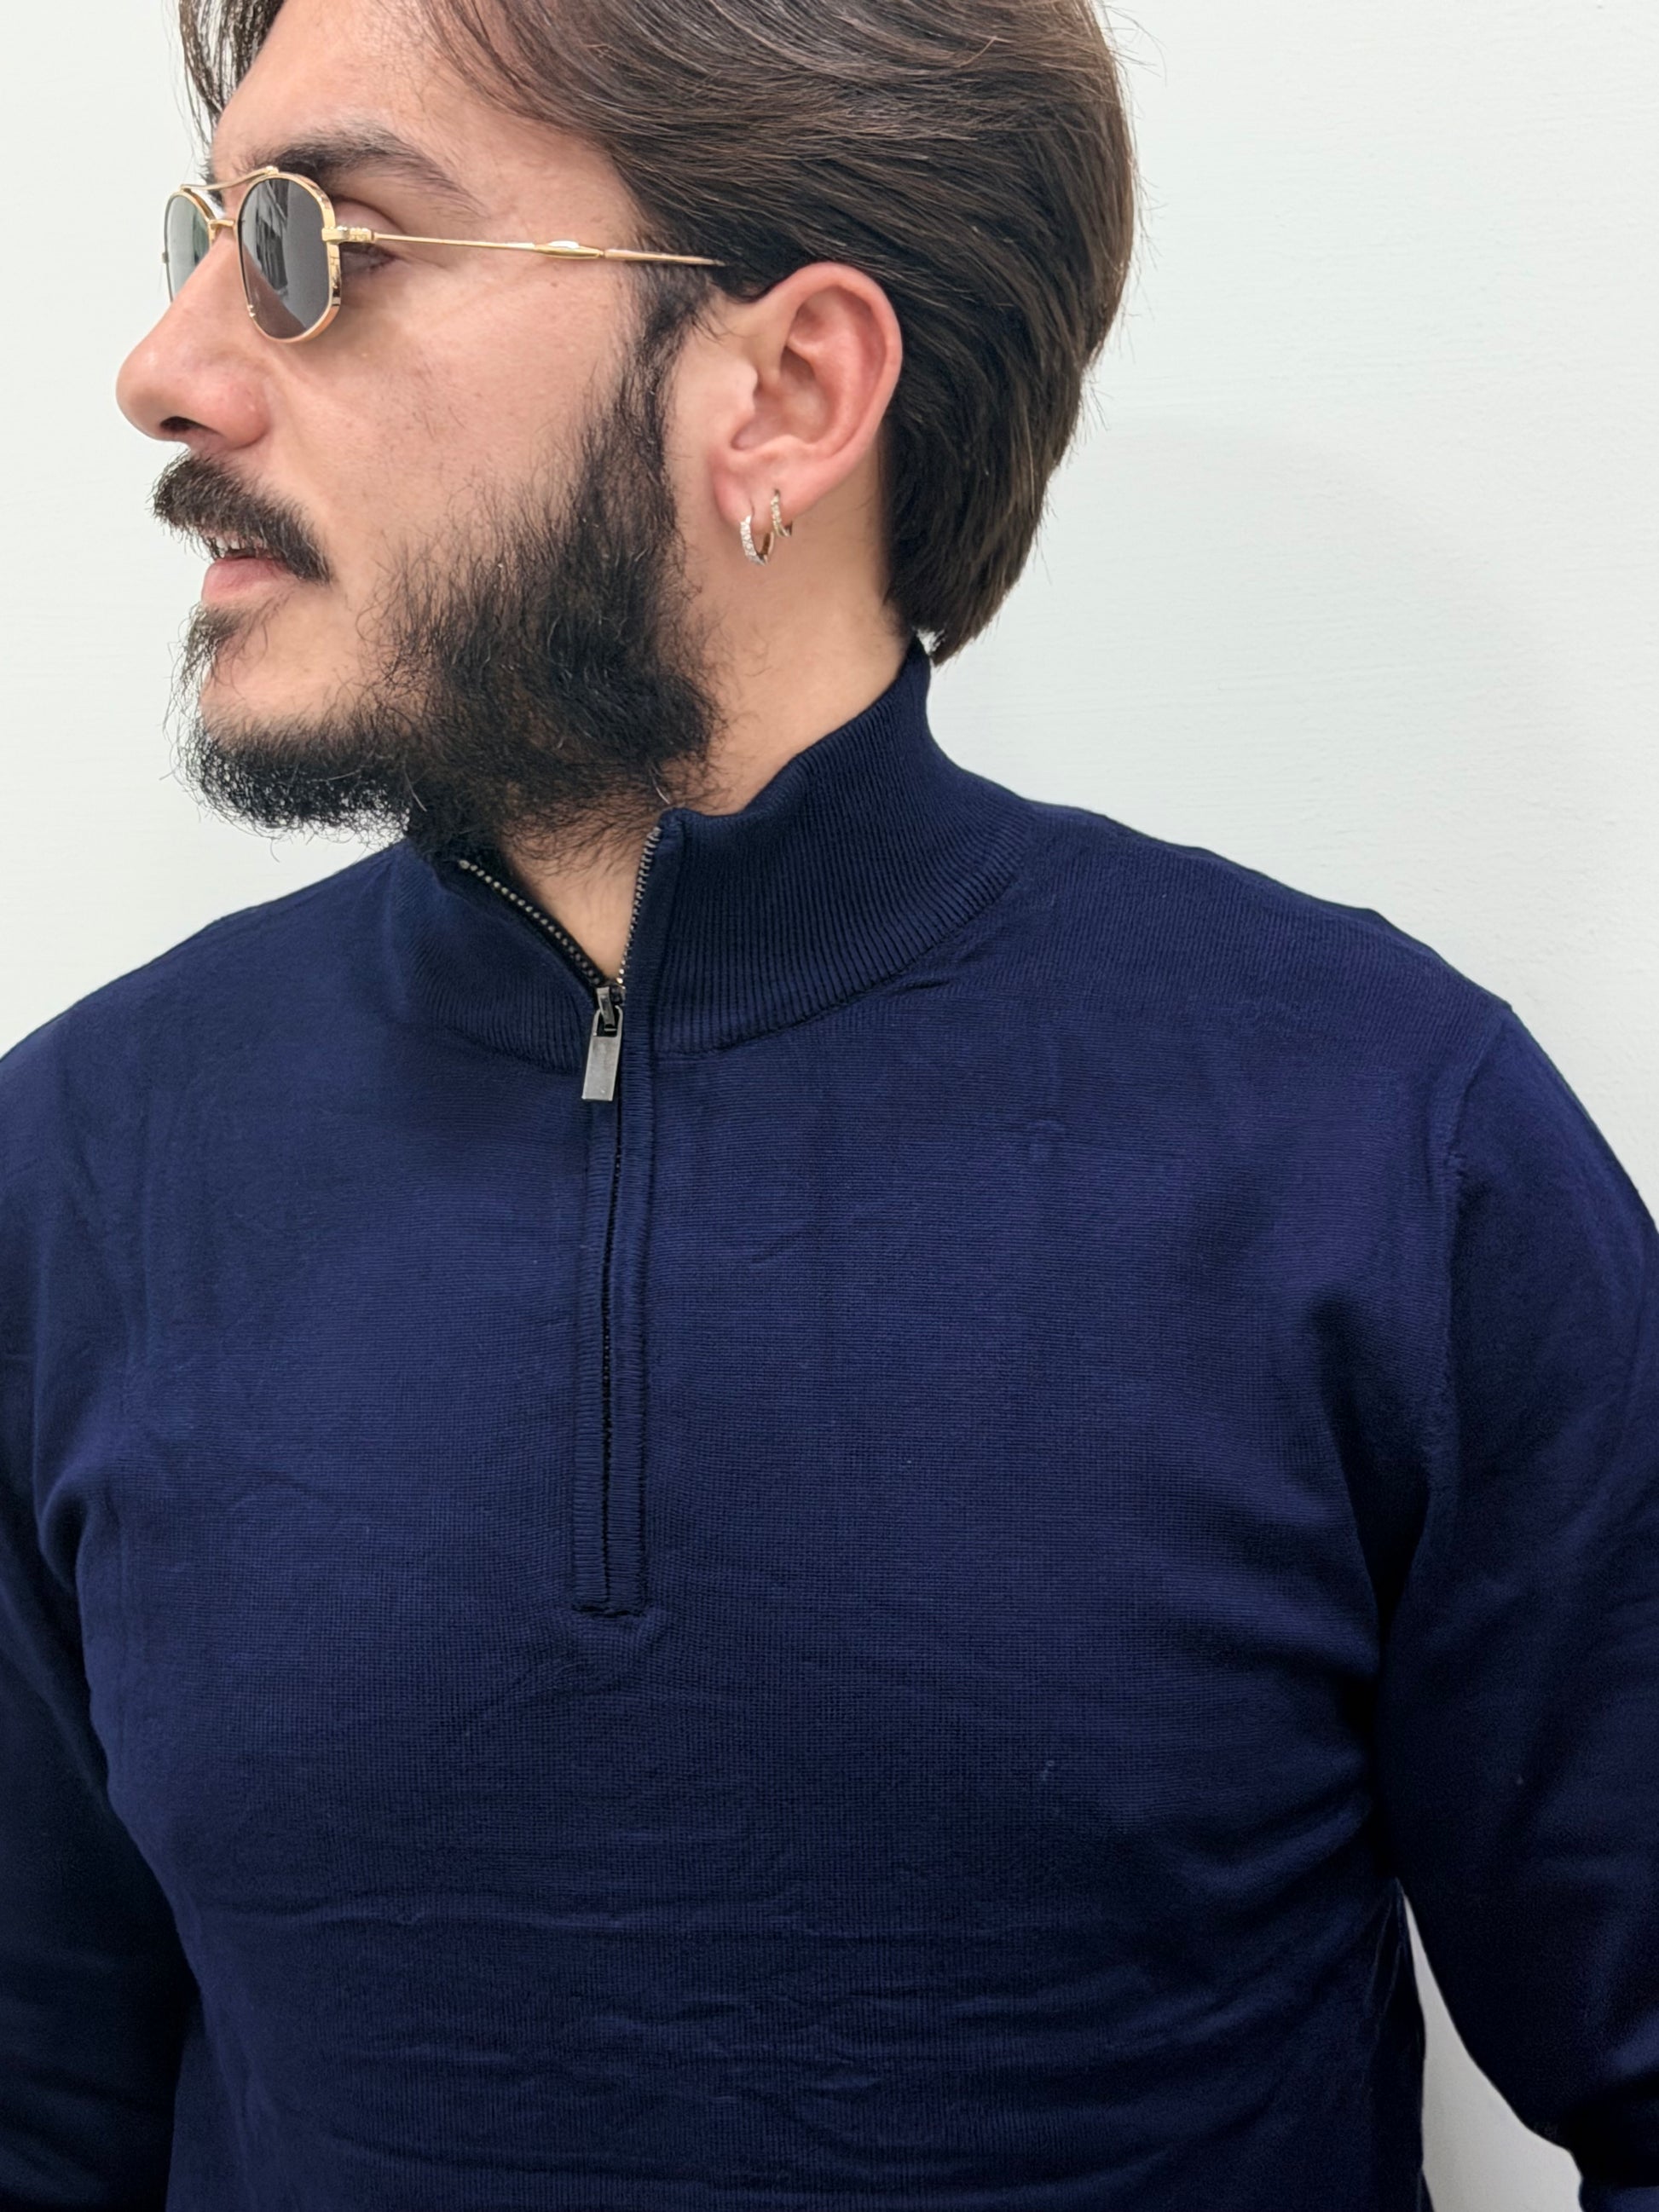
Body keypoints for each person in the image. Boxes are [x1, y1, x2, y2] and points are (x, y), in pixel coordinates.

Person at [1, 0, 1654, 2203]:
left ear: (786, 391)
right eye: (204, 234)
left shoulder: (1384, 1147)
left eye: (320, 242)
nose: (169, 366)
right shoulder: (77, 1173)